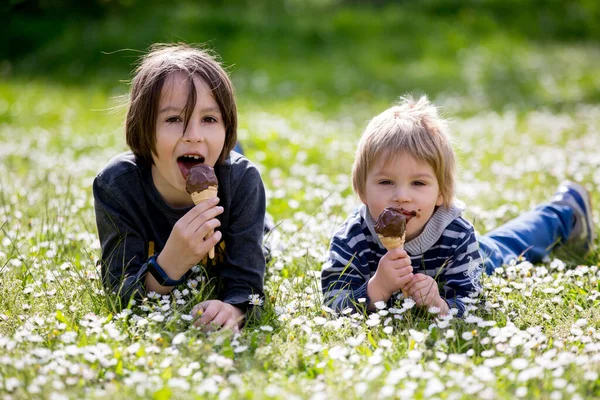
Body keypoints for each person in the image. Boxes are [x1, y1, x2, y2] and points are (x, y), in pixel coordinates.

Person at [321, 95, 595, 317]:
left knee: (510, 247)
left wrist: (441, 306)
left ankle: (564, 212)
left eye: (418, 183)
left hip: (469, 258)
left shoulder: (458, 236)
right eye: (385, 182)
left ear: (442, 193)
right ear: (361, 190)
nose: (402, 196)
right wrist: (376, 289)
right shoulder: (353, 237)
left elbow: (472, 299)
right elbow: (332, 298)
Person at [93, 43, 266, 332]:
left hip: (243, 206)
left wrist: (233, 309)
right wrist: (168, 264)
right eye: (174, 119)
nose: (194, 136)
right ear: (142, 130)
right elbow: (118, 293)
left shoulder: (242, 182)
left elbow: (248, 285)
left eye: (210, 119)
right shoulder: (117, 187)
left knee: (266, 243)